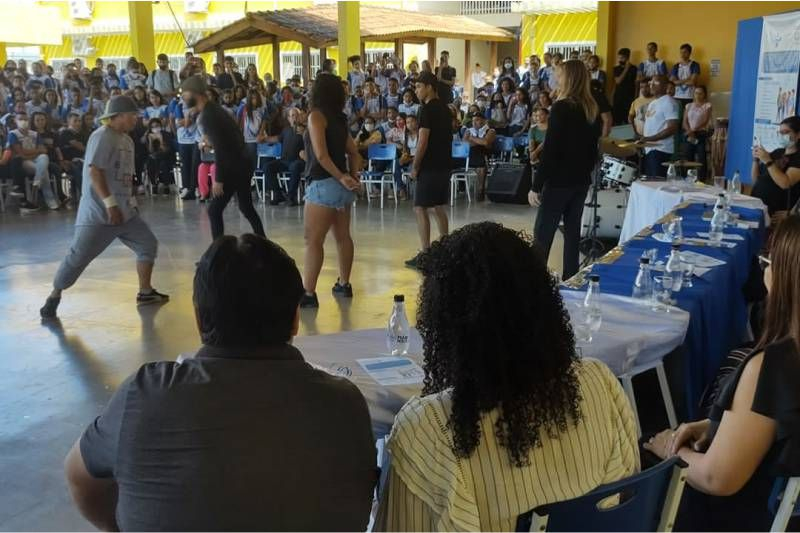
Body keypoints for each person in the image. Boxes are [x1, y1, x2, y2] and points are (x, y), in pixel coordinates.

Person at [64, 234, 378, 531]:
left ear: (199, 320)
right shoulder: (344, 403)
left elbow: (79, 476)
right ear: (296, 318)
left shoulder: (145, 395)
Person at [376, 222, 638, 531]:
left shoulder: (428, 430)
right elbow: (627, 495)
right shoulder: (599, 383)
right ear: (545, 307)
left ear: (445, 329)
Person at [645, 216, 800, 531]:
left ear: (786, 277)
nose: (765, 270)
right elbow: (778, 422)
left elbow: (718, 479)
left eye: (769, 262)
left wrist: (668, 452)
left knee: (641, 452)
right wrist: (715, 425)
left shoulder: (775, 365)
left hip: (744, 516)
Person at [39, 97, 168, 319]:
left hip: (126, 212)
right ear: (117, 116)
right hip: (100, 213)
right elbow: (95, 172)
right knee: (78, 256)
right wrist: (110, 204)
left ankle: (145, 292)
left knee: (147, 244)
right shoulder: (101, 136)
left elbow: (127, 174)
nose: (135, 120)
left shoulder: (126, 140)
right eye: (131, 115)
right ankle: (54, 295)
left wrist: (131, 199)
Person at [529, 60, 600, 280]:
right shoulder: (591, 108)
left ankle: (535, 281)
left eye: (559, 75)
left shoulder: (562, 107)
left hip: (559, 180)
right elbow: (592, 149)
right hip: (580, 181)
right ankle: (571, 278)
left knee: (543, 232)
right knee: (572, 234)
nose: (556, 79)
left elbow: (551, 149)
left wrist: (536, 185)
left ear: (568, 78)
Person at [300, 74, 362, 309]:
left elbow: (321, 155)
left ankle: (308, 293)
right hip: (341, 190)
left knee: (313, 241)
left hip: (323, 185)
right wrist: (351, 177)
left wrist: (343, 177)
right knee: (342, 236)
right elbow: (354, 153)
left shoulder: (316, 116)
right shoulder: (339, 119)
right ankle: (344, 284)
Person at [180, 76, 265, 240]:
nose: (183, 97)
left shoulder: (209, 115)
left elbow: (221, 148)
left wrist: (219, 179)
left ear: (195, 94)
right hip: (242, 163)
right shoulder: (213, 110)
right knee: (246, 208)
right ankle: (263, 242)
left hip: (234, 167)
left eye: (185, 93)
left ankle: (217, 254)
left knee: (214, 210)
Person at [405, 71, 452, 269]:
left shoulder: (427, 110)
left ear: (430, 87)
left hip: (430, 165)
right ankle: (445, 247)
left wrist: (415, 166)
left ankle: (426, 253)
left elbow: (422, 141)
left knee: (419, 207)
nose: (416, 91)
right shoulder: (446, 109)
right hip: (444, 164)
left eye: (419, 87)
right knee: (438, 206)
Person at [7, 110, 59, 212]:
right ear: (15, 121)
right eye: (20, 119)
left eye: (25, 119)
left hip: (38, 160)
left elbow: (43, 150)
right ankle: (50, 200)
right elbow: (20, 153)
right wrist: (36, 152)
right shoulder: (13, 134)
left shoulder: (34, 134)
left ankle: (37, 180)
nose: (23, 121)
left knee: (44, 157)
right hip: (24, 162)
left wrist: (34, 153)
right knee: (44, 171)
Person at [751, 116, 800, 216]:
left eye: (785, 132)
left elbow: (785, 183)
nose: (781, 135)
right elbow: (756, 180)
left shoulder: (798, 157)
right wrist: (756, 160)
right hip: (759, 207)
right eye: (779, 132)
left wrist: (768, 160)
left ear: (798, 134)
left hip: (777, 214)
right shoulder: (777, 152)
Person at [265, 107, 305, 207]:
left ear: (299, 117)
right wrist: (264, 139)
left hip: (298, 161)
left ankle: (291, 197)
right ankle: (278, 194)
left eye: (294, 115)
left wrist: (304, 133)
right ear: (288, 118)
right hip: (284, 161)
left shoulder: (305, 130)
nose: (293, 118)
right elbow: (276, 139)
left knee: (295, 166)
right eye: (290, 116)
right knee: (267, 167)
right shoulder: (286, 130)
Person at [640, 75, 679, 177]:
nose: (651, 85)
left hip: (661, 150)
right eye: (650, 83)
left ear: (665, 86)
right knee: (649, 183)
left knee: (657, 183)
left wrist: (649, 139)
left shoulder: (669, 102)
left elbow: (672, 128)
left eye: (655, 83)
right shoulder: (653, 103)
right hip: (650, 149)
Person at [463, 113, 496, 201]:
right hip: (470, 155)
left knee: (481, 162)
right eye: (473, 121)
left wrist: (472, 138)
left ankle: (480, 189)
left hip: (484, 155)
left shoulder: (490, 131)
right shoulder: (469, 130)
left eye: (477, 120)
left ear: (484, 121)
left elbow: (486, 142)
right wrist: (479, 141)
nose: (474, 123)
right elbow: (464, 143)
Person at [174, 88, 200, 200]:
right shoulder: (179, 106)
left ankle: (195, 187)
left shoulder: (197, 106)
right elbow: (184, 123)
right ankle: (186, 187)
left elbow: (184, 122)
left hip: (195, 138)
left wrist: (183, 122)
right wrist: (186, 119)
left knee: (195, 164)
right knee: (185, 164)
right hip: (183, 139)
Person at [683, 85, 713, 178]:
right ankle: (687, 177)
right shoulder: (688, 105)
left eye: (700, 93)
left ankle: (701, 179)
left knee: (701, 158)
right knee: (688, 157)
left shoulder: (707, 105)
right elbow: (684, 121)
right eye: (696, 93)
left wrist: (693, 130)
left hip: (700, 134)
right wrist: (689, 131)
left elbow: (706, 121)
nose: (698, 95)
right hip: (689, 134)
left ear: (704, 95)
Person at [141, 117, 176, 196]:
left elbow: (167, 150)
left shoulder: (166, 134)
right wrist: (150, 141)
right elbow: (150, 151)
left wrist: (160, 140)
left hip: (166, 156)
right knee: (150, 162)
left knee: (164, 164)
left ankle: (166, 186)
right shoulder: (149, 135)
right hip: (154, 157)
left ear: (160, 126)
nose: (155, 128)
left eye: (157, 126)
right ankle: (154, 184)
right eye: (153, 127)